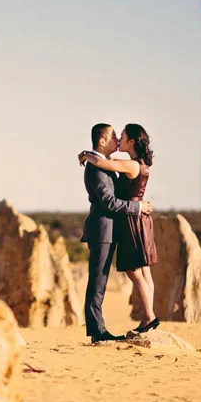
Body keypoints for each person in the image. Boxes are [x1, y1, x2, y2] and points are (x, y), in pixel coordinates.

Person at [79, 123, 159, 334]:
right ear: (103, 141)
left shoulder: (129, 164)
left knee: (137, 271)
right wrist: (89, 155)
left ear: (131, 141)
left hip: (133, 220)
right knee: (135, 272)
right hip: (118, 223)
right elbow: (109, 199)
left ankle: (148, 317)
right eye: (115, 136)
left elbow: (105, 163)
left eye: (121, 136)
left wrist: (88, 155)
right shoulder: (113, 164)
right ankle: (101, 330)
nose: (118, 139)